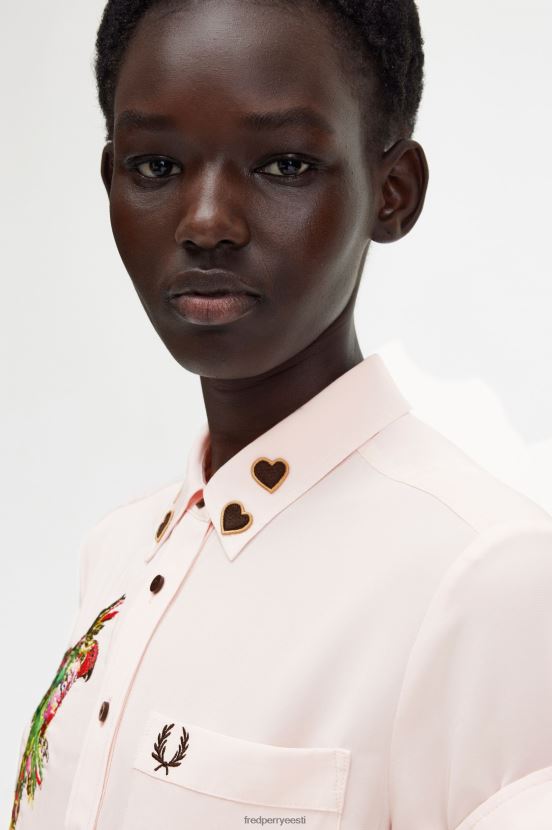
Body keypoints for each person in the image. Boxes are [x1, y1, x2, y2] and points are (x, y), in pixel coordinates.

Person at [9, 0, 552, 828]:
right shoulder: (117, 552)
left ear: (393, 192)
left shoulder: (487, 581)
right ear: (111, 179)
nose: (206, 223)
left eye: (285, 164)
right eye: (156, 165)